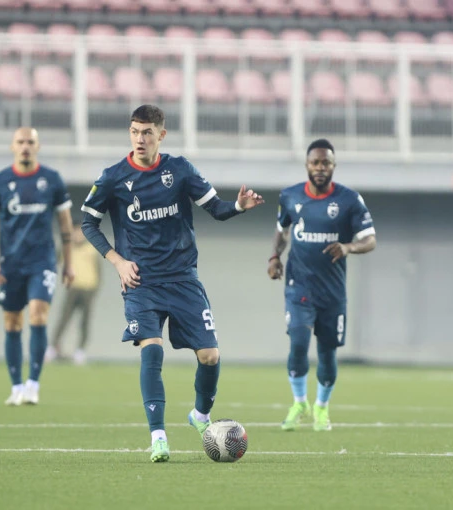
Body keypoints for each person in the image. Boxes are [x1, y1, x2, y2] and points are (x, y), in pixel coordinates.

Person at [80, 104, 264, 462]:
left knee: (210, 356)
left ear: (161, 135)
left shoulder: (180, 170)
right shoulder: (113, 177)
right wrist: (117, 261)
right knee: (152, 350)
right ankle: (158, 438)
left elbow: (217, 209)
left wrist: (239, 206)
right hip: (141, 281)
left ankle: (200, 415)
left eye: (147, 133)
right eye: (135, 132)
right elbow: (88, 222)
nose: (140, 139)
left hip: (182, 278)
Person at [267, 138, 376, 432]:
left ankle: (321, 408)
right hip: (299, 287)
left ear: (333, 166)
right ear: (307, 165)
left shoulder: (349, 200)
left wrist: (349, 247)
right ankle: (299, 402)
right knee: (298, 342)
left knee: (327, 353)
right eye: (315, 162)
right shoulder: (290, 196)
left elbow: (370, 240)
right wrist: (275, 257)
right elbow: (282, 231)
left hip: (332, 291)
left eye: (325, 163)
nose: (320, 168)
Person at [0, 127, 74, 406]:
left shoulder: (52, 180)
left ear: (38, 146)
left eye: (30, 142)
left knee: (38, 314)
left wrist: (68, 263)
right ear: (12, 146)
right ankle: (16, 386)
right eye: (20, 142)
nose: (25, 147)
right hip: (10, 264)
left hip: (42, 261)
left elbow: (65, 225)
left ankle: (33, 384)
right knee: (12, 321)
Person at [45, 221, 102, 365]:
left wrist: (95, 289)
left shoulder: (91, 248)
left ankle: (80, 351)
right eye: (75, 232)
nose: (78, 235)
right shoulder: (67, 248)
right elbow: (53, 262)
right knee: (64, 319)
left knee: (85, 321)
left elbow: (98, 271)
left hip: (88, 289)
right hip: (72, 288)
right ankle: (53, 348)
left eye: (80, 232)